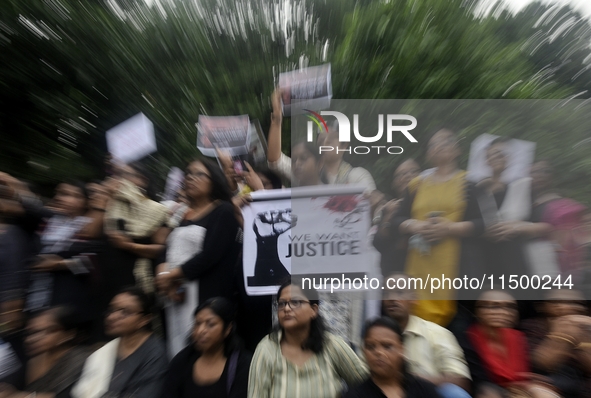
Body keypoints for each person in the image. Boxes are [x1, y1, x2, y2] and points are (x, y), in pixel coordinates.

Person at [393, 129, 485, 326]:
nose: (439, 147)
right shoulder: (417, 184)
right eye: (433, 145)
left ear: (457, 150)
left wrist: (451, 229)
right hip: (418, 264)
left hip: (458, 270)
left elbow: (484, 224)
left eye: (445, 142)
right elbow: (396, 219)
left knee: (457, 329)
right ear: (428, 154)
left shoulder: (470, 182)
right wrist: (415, 225)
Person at [155, 159, 242, 358]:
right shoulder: (184, 214)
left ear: (214, 180)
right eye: (188, 173)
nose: (190, 178)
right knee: (178, 352)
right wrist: (164, 275)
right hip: (177, 295)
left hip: (205, 296)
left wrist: (170, 276)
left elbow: (210, 256)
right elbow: (167, 249)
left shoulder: (224, 211)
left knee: (200, 351)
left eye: (198, 174)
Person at [247, 280, 368, 398]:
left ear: (314, 310)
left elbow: (370, 386)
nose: (287, 309)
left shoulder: (332, 345)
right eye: (282, 304)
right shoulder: (267, 349)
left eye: (295, 302)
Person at [267, 89, 376, 192]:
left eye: (331, 139)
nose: (324, 143)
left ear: (344, 146)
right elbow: (275, 161)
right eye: (322, 139)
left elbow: (371, 206)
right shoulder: (305, 171)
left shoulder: (358, 176)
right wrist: (277, 115)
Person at [382, 274, 471, 398]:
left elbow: (460, 381)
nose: (391, 298)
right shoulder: (373, 336)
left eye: (399, 292)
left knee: (454, 393)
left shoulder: (437, 333)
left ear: (414, 299)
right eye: (386, 293)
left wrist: (411, 381)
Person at [72, 287, 168, 398]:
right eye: (111, 310)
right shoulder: (104, 352)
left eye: (125, 312)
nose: (112, 317)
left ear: (144, 320)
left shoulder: (155, 353)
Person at [460, 290, 559, 398]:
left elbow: (531, 374)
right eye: (492, 306)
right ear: (476, 311)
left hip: (522, 390)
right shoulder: (468, 339)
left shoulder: (518, 337)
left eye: (510, 307)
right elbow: (479, 381)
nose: (503, 311)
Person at [161, 297, 252, 397]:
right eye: (197, 323)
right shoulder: (182, 361)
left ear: (227, 329)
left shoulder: (242, 365)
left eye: (210, 324)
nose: (200, 331)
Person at [103, 162, 170, 297]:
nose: (118, 179)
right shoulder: (110, 206)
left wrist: (129, 246)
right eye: (116, 175)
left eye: (123, 174)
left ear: (143, 181)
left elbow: (162, 250)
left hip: (136, 280)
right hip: (108, 278)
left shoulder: (156, 210)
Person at [0, 307, 89, 398]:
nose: (32, 339)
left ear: (68, 334)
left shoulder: (82, 360)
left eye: (47, 331)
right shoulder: (33, 361)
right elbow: (9, 387)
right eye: (31, 332)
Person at [343, 316, 442, 398]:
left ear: (402, 350)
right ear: (364, 351)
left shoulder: (425, 390)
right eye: (371, 347)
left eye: (387, 346)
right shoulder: (355, 395)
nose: (378, 352)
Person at [520, 289, 591, 398]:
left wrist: (584, 336)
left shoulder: (586, 326)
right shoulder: (532, 327)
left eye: (575, 302)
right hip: (546, 385)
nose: (567, 306)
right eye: (557, 301)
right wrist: (564, 332)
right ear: (542, 306)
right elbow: (543, 363)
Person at [372, 159, 421, 276]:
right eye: (401, 174)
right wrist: (388, 216)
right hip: (395, 278)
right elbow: (378, 244)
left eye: (413, 172)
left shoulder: (431, 206)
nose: (408, 177)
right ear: (393, 183)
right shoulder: (388, 208)